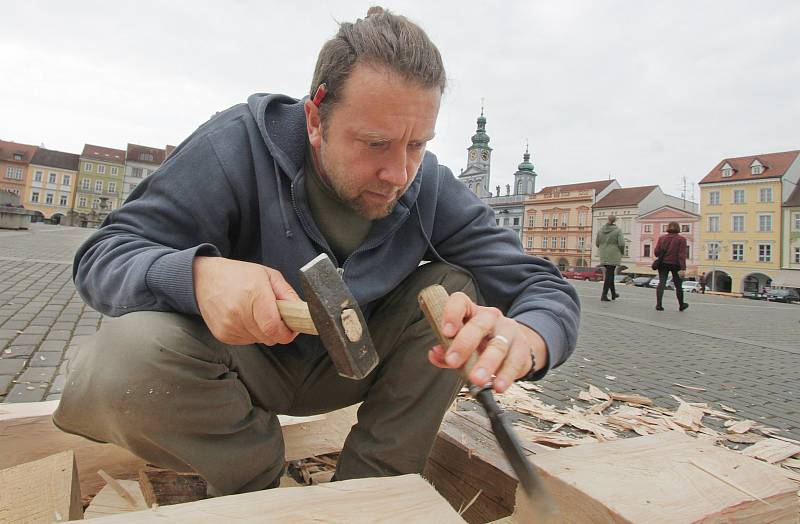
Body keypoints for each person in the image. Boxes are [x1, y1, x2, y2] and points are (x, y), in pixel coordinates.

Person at [53, 8, 580, 496]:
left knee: (453, 291)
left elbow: (541, 286)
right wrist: (198, 275)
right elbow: (103, 255)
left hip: (350, 368)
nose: (399, 173)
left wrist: (529, 338)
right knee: (127, 356)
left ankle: (369, 492)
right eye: (374, 143)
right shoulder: (233, 146)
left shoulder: (431, 186)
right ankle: (253, 480)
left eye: (417, 144)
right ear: (314, 120)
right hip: (236, 368)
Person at [653, 221, 689, 311]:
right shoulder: (681, 239)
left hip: (663, 264)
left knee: (661, 283)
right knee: (678, 285)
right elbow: (681, 255)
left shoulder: (662, 238)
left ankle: (659, 304)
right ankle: (681, 305)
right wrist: (683, 268)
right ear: (678, 228)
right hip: (676, 264)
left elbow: (656, 252)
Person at [595, 215, 625, 301]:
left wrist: (603, 248)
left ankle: (613, 293)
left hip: (603, 253)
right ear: (615, 221)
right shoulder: (617, 231)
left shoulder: (600, 230)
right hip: (613, 254)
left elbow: (597, 243)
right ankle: (604, 295)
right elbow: (622, 244)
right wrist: (621, 252)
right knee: (610, 274)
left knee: (610, 274)